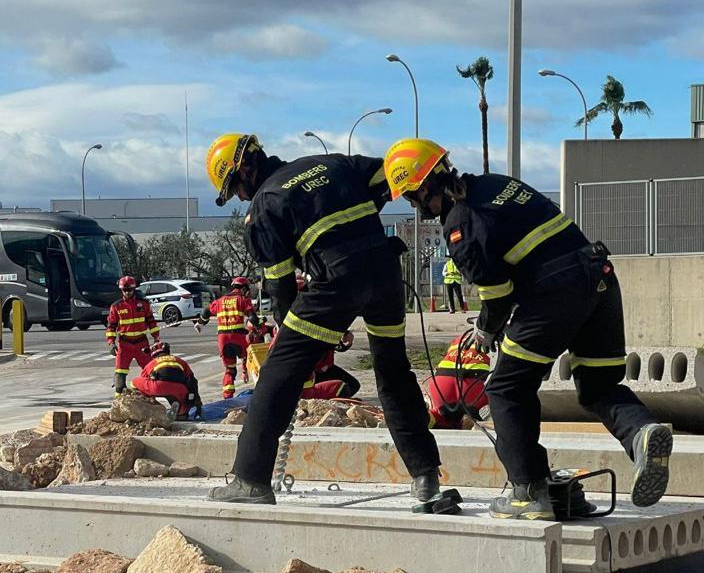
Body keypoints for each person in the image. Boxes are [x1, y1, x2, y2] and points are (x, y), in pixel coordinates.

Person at [384, 137, 672, 519]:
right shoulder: (496, 184)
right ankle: (642, 434)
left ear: (421, 188)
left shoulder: (459, 224)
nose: (415, 206)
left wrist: (485, 331)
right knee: (600, 386)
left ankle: (527, 492)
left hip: (555, 293)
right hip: (599, 277)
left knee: (506, 389)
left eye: (410, 197)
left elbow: (497, 296)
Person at [204, 133, 443, 507]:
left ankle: (250, 479)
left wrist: (297, 342)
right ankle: (426, 475)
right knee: (393, 373)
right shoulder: (333, 164)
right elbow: (391, 177)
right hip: (384, 274)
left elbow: (282, 288)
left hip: (334, 282)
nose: (239, 197)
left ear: (247, 169)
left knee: (277, 376)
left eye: (234, 187)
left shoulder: (264, 206)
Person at [194, 276, 258, 398]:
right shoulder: (243, 299)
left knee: (230, 369)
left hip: (223, 339)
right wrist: (259, 328)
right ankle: (251, 379)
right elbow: (252, 318)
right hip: (238, 336)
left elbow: (205, 312)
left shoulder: (220, 300)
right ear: (244, 288)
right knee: (249, 358)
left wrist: (200, 324)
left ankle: (227, 397)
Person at [105, 276, 161, 395]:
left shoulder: (143, 304)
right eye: (124, 290)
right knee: (120, 372)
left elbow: (151, 321)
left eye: (129, 290)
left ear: (134, 289)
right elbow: (111, 326)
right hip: (125, 344)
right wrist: (111, 342)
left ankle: (152, 396)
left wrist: (156, 338)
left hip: (142, 343)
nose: (127, 293)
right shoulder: (116, 306)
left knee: (151, 370)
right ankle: (118, 400)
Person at [424, 333, 490, 429]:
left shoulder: (460, 338)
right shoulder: (508, 336)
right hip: (475, 386)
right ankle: (480, 423)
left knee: (443, 419)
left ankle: (426, 417)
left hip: (442, 384)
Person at [131, 341, 203, 419]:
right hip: (179, 389)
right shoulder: (180, 361)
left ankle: (147, 408)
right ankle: (181, 414)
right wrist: (196, 401)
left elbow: (144, 379)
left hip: (158, 387)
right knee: (183, 412)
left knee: (135, 382)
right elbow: (192, 380)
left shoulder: (152, 363)